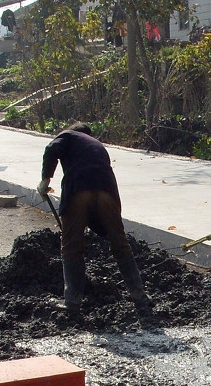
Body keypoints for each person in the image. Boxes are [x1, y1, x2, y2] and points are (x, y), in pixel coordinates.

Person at [37, 123, 151, 314]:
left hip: (79, 187)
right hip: (107, 189)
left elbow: (51, 148)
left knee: (72, 244)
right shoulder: (96, 144)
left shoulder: (68, 135)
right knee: (119, 242)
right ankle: (139, 295)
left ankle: (72, 302)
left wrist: (45, 179)